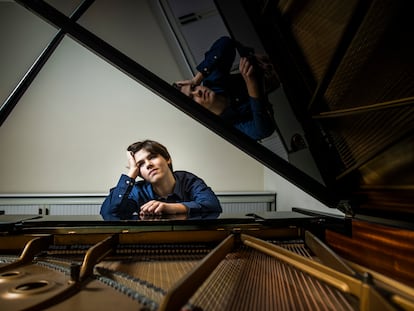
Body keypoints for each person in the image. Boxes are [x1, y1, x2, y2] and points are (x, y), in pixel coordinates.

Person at [174, 36, 277, 141]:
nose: (198, 92)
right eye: (192, 98)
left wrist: (197, 78)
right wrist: (252, 86)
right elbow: (264, 130)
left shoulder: (213, 81)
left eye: (194, 87)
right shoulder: (227, 128)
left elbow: (226, 42)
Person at [100, 139, 222, 220]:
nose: (148, 164)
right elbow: (109, 213)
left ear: (167, 159)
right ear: (139, 173)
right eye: (140, 164)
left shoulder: (189, 180)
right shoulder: (137, 191)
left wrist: (169, 207)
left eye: (152, 157)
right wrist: (131, 173)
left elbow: (213, 206)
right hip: (149, 244)